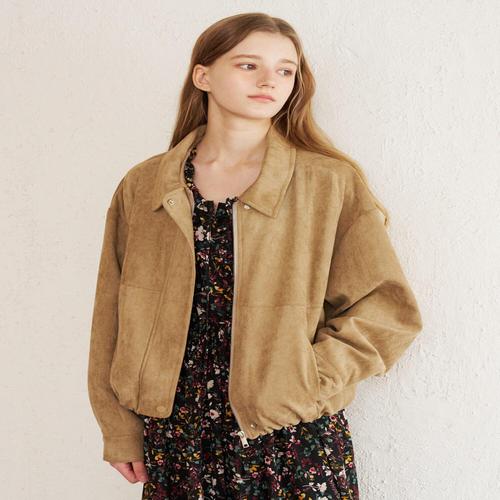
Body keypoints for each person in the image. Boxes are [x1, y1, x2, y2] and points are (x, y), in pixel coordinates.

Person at [87, 12, 423, 499]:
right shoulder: (145, 186)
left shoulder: (326, 183)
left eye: (285, 70)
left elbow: (387, 310)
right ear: (203, 75)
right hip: (178, 440)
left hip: (289, 436)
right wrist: (118, 427)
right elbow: (111, 316)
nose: (270, 81)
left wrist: (305, 379)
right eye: (249, 65)